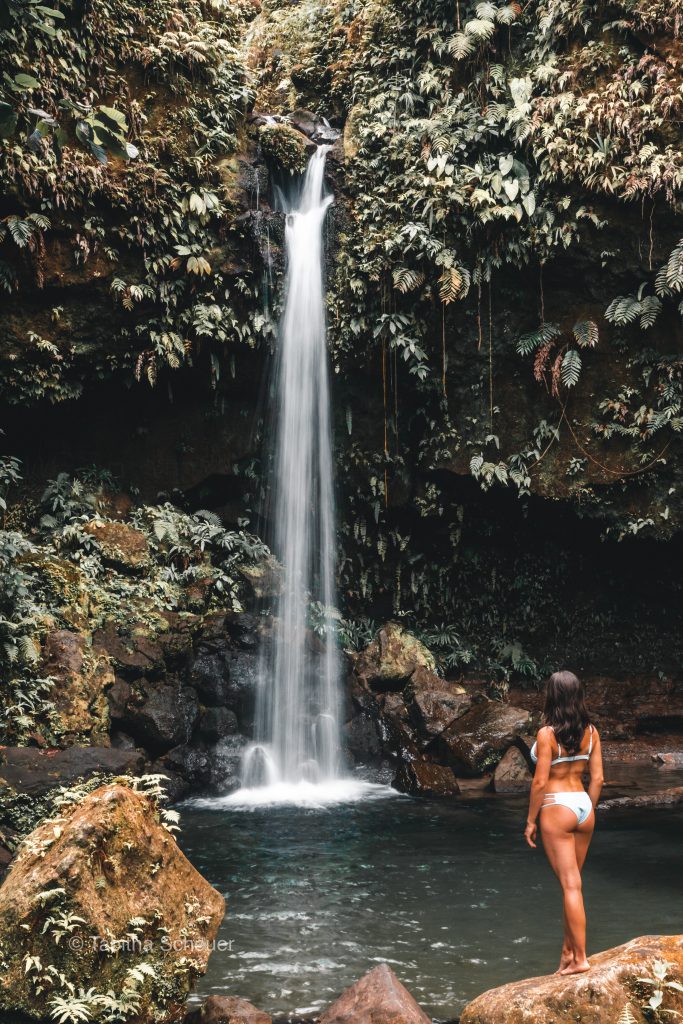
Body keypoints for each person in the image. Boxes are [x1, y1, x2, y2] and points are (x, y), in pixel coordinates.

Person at [524, 670, 604, 975]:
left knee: (571, 886)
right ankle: (568, 955)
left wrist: (531, 821)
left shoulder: (547, 734)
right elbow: (597, 778)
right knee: (573, 886)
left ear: (552, 696)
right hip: (583, 806)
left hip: (557, 807)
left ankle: (581, 958)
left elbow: (539, 782)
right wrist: (588, 810)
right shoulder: (592, 732)